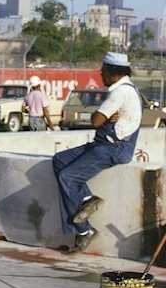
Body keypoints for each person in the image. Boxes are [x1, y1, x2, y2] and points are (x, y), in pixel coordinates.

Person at [52, 52, 141, 251]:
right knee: (59, 160)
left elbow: (96, 121)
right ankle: (85, 199)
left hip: (113, 148)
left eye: (103, 71)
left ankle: (84, 231)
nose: (100, 75)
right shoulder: (127, 88)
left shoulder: (120, 92)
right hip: (104, 144)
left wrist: (102, 115)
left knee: (68, 177)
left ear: (112, 72)